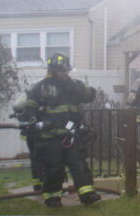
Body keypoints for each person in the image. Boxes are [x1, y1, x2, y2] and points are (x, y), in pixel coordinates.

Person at [23, 53, 101, 208]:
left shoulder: (73, 86)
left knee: (79, 165)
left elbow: (89, 96)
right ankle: (52, 198)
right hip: (50, 137)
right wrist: (35, 122)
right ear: (52, 71)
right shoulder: (41, 87)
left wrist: (86, 89)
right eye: (62, 71)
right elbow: (30, 109)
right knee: (54, 168)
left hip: (71, 135)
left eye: (66, 71)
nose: (65, 74)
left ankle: (87, 194)